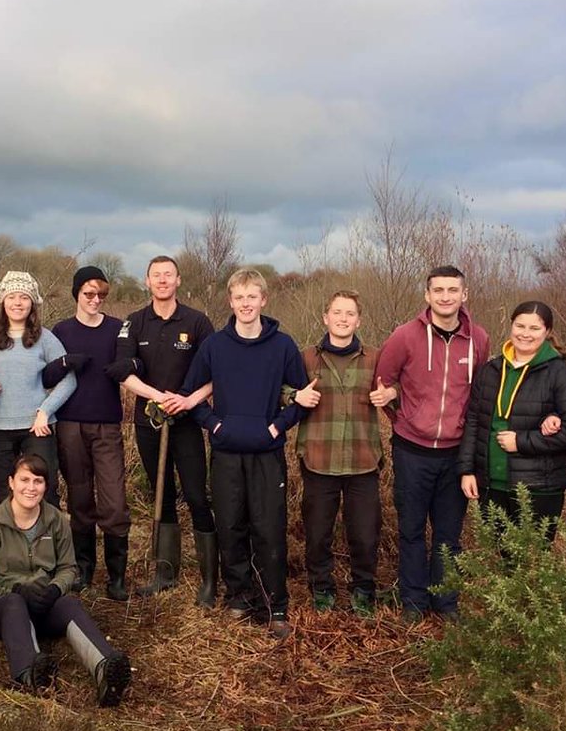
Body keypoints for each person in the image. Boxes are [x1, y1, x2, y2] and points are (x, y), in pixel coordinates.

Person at [181, 268, 309, 639]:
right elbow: (193, 399)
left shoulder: (282, 345)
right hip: (225, 453)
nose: (246, 304)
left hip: (267, 454)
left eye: (253, 296)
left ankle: (275, 604)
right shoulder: (214, 347)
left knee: (268, 527)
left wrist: (276, 426)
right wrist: (217, 426)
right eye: (239, 297)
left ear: (263, 300)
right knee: (230, 525)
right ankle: (239, 596)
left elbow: (302, 397)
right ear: (231, 301)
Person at [0, 453, 132, 706]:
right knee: (13, 603)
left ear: (46, 486)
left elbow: (68, 568)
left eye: (38, 481)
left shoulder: (55, 520)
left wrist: (55, 589)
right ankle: (30, 674)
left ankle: (106, 669)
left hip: (42, 603)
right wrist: (17, 589)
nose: (30, 488)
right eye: (24, 480)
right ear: (11, 482)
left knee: (69, 604)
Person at [373, 265, 490, 622]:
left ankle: (445, 601)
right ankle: (412, 600)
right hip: (412, 450)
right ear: (427, 295)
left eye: (452, 290)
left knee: (448, 534)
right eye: (438, 290)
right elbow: (383, 382)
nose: (445, 297)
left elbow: (480, 392)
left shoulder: (479, 340)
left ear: (464, 295)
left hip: (456, 453)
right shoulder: (405, 336)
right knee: (410, 529)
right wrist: (402, 416)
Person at [111, 255, 217, 606]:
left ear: (178, 280)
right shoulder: (134, 323)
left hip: (187, 423)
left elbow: (216, 375)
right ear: (147, 281)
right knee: (162, 494)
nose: (162, 280)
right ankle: (165, 573)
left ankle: (208, 580)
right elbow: (124, 374)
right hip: (150, 421)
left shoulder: (198, 322)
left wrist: (187, 401)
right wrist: (159, 397)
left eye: (168, 275)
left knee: (197, 495)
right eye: (156, 275)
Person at [457, 301, 566, 541]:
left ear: (547, 332)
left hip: (539, 487)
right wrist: (467, 470)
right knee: (499, 557)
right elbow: (474, 421)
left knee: (532, 561)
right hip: (491, 484)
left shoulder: (560, 373)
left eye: (534, 328)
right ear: (511, 326)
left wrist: (522, 441)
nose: (525, 334)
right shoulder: (490, 370)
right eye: (520, 326)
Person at [292, 290, 383, 616]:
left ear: (358, 320)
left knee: (364, 534)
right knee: (317, 534)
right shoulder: (305, 358)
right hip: (318, 458)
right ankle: (322, 590)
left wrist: (391, 394)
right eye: (337, 312)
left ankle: (363, 591)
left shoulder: (374, 358)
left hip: (362, 460)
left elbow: (396, 392)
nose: (343, 319)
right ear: (325, 317)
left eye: (349, 314)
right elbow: (282, 391)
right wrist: (295, 396)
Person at [47, 266, 131, 600]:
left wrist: (131, 366)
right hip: (70, 424)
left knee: (113, 500)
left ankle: (117, 576)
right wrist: (65, 362)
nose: (95, 300)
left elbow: (132, 359)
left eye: (101, 295)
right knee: (80, 499)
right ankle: (83, 570)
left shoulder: (117, 328)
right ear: (76, 295)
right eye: (88, 294)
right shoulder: (61, 330)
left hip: (107, 424)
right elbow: (46, 374)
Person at [0, 271, 75, 509]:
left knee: (45, 492)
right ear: (2, 301)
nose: (18, 303)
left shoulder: (46, 338)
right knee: (3, 495)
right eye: (12, 297)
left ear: (32, 302)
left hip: (37, 429)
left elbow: (69, 379)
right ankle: (9, 546)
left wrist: (45, 410)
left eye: (24, 297)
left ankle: (46, 544)